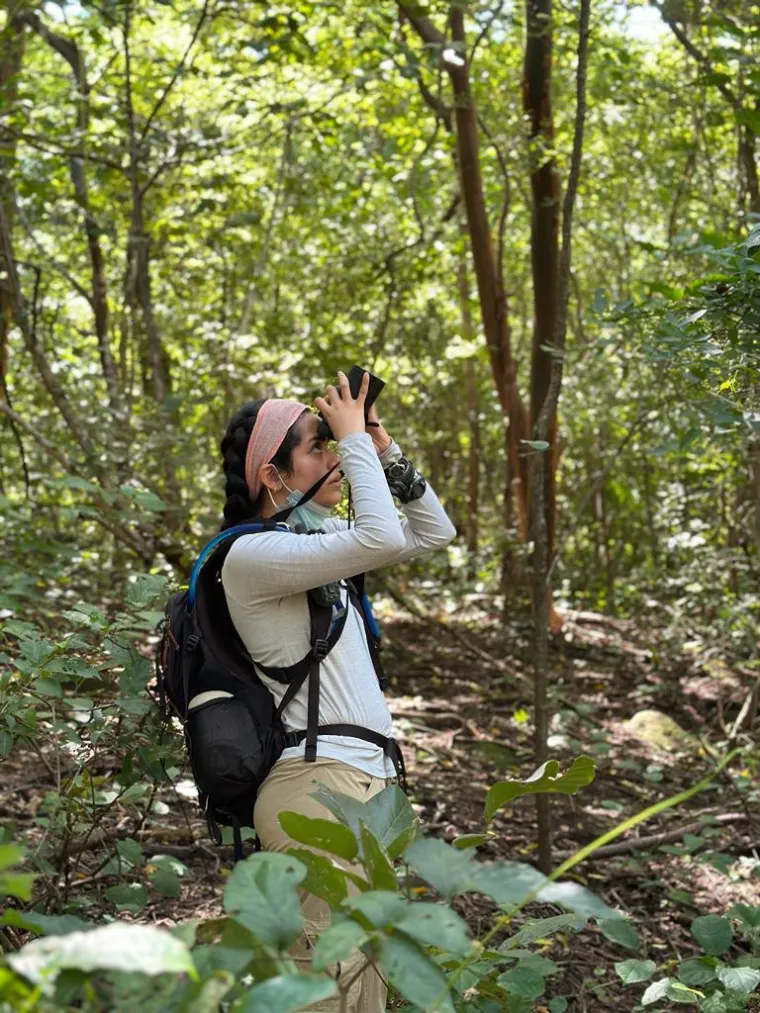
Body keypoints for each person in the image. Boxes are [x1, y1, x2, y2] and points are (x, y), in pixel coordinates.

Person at [219, 371, 456, 1012]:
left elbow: (434, 532)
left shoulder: (318, 542)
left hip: (364, 789)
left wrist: (380, 448)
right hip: (315, 788)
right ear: (273, 476)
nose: (331, 455)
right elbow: (380, 536)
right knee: (325, 994)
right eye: (315, 445)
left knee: (363, 995)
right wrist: (352, 440)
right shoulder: (251, 557)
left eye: (330, 443)